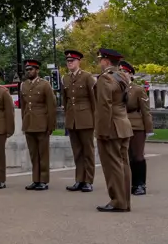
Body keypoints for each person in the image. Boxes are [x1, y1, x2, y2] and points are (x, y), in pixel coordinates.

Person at [94, 48, 133, 212]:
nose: (99, 62)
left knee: (113, 165)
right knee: (124, 164)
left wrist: (102, 131)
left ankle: (117, 201)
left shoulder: (105, 78)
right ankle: (125, 201)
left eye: (100, 59)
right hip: (123, 124)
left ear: (106, 61)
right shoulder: (123, 76)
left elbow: (104, 106)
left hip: (111, 127)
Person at [61, 49, 97, 193]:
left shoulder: (87, 77)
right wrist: (67, 117)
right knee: (77, 152)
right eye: (68, 61)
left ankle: (88, 180)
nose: (70, 63)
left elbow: (94, 100)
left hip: (86, 118)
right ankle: (79, 179)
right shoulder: (65, 78)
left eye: (72, 61)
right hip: (72, 119)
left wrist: (95, 118)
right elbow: (65, 100)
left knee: (88, 151)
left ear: (78, 62)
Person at [20, 58, 56, 191]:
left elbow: (51, 106)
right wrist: (24, 122)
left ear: (37, 70)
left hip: (42, 123)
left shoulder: (45, 85)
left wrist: (50, 125)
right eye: (27, 70)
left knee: (43, 154)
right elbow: (23, 106)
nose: (28, 71)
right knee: (34, 154)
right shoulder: (24, 85)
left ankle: (44, 180)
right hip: (29, 123)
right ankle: (36, 179)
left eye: (31, 69)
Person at [121, 61, 153, 196]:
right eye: (120, 71)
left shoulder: (137, 90)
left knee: (137, 155)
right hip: (120, 125)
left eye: (125, 72)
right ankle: (128, 184)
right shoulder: (116, 89)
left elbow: (145, 111)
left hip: (136, 126)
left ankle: (140, 184)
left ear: (130, 74)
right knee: (125, 157)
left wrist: (149, 129)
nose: (122, 74)